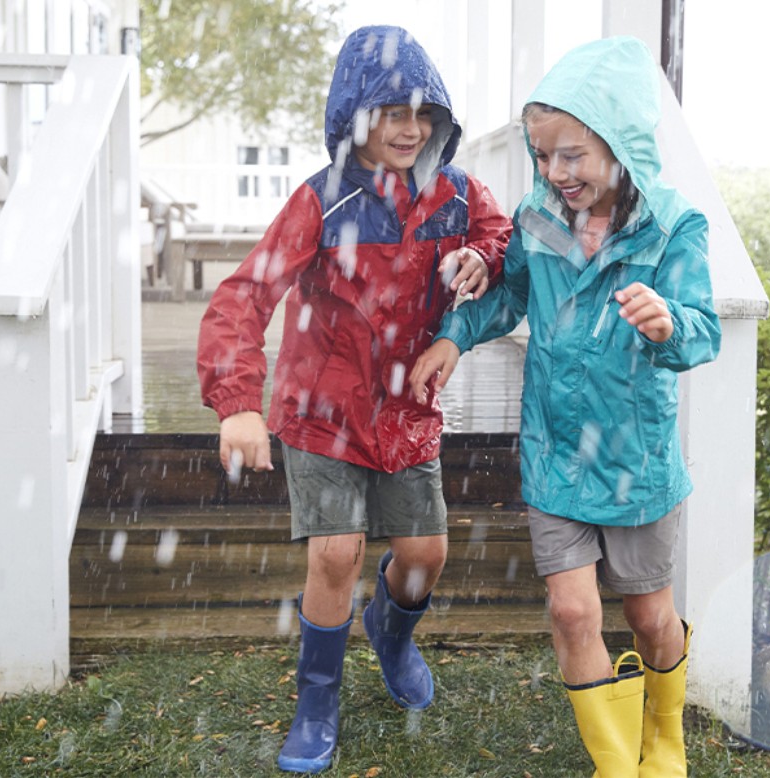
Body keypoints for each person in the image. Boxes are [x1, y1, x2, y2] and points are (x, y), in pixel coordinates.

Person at [197, 24, 512, 774]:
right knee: (336, 553)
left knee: (424, 554)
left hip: (408, 409)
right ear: (355, 116)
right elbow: (244, 296)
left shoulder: (459, 194)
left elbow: (504, 243)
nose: (410, 128)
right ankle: (317, 701)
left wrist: (479, 257)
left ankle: (393, 634)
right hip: (321, 409)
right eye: (391, 112)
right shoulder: (321, 199)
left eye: (423, 113)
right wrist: (238, 400)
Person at [410, 36, 721, 778]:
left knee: (650, 616)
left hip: (636, 461)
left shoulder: (675, 226)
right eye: (543, 155)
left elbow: (702, 329)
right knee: (574, 612)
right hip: (554, 451)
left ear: (618, 144)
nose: (555, 172)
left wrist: (668, 320)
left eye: (572, 155)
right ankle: (617, 767)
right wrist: (457, 336)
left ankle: (663, 731)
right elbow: (511, 294)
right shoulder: (539, 217)